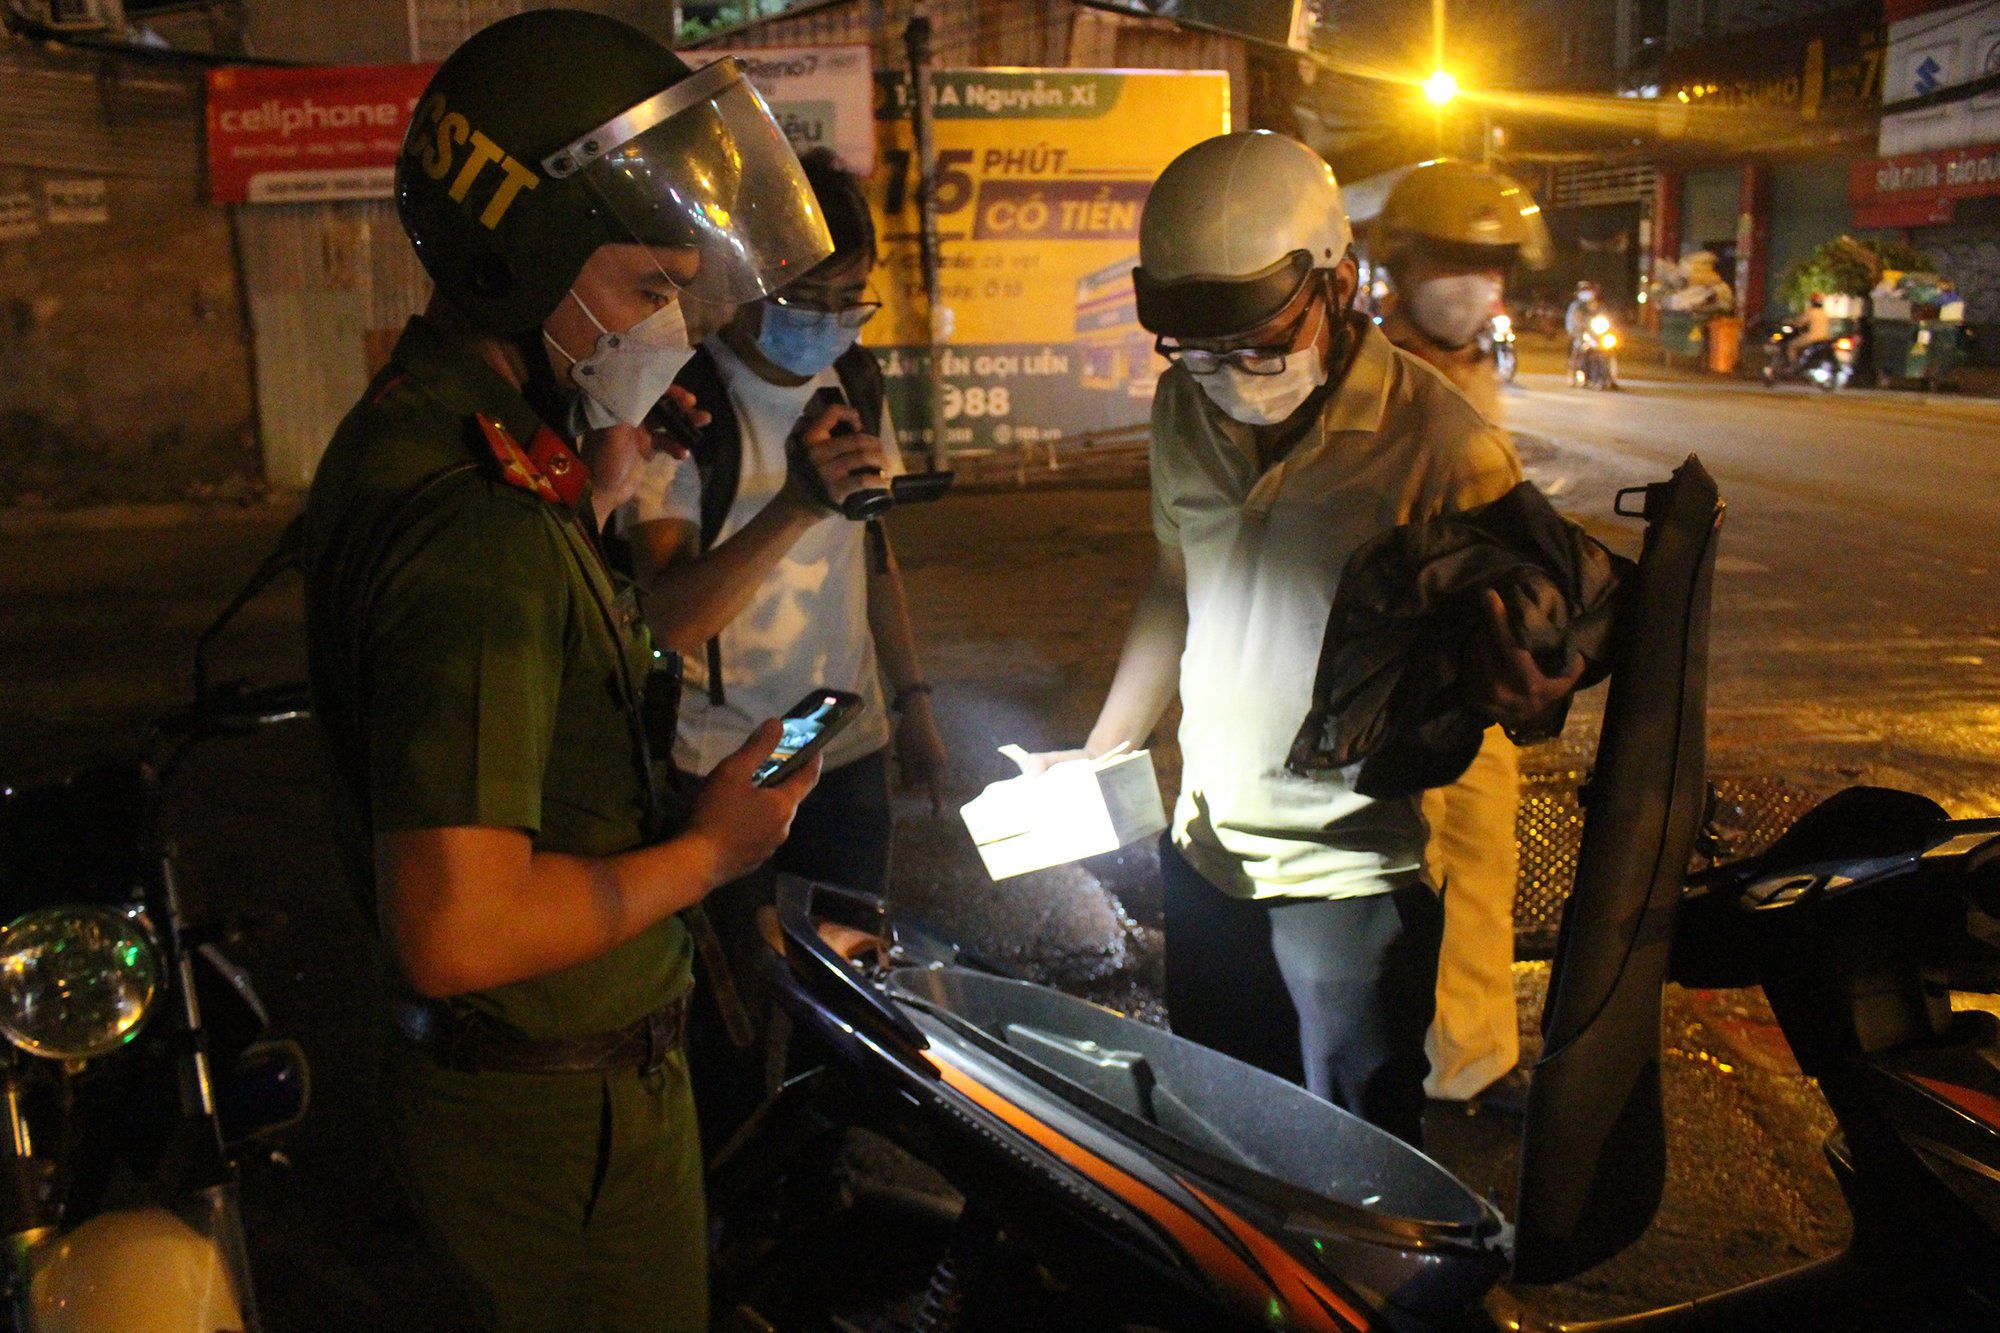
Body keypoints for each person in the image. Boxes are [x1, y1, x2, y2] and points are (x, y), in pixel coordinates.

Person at [296, 13, 842, 1328]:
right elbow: (455, 927)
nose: (671, 324)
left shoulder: (447, 438)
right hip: (554, 1130)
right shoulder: (477, 527)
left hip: (533, 1100)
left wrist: (599, 482)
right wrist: (713, 850)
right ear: (521, 256)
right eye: (651, 288)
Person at [1017, 131, 1580, 1147]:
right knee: (1226, 1142)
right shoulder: (1180, 408)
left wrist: (1527, 690)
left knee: (1349, 1169)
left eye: (1258, 346)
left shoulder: (1445, 445)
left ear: (1341, 284)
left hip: (1351, 886)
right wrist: (1102, 751)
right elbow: (1173, 586)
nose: (1226, 374)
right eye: (1194, 348)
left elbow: (1532, 651)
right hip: (1205, 859)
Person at [622, 146, 947, 899]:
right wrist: (797, 506)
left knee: (844, 981)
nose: (831, 323)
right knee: (735, 992)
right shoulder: (679, 404)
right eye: (807, 298)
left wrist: (914, 701)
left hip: (844, 741)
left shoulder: (856, 382)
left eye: (851, 299)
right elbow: (666, 618)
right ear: (745, 279)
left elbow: (873, 557)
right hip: (728, 761)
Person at [1374, 158, 1552, 1113]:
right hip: (1399, 678)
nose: (1472, 282)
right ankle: (1406, 1066)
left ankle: (1475, 1064)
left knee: (1483, 861)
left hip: (1481, 668)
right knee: (1411, 873)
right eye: (1451, 259)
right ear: (1399, 264)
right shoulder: (1370, 379)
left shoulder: (1479, 369)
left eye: (1489, 264)